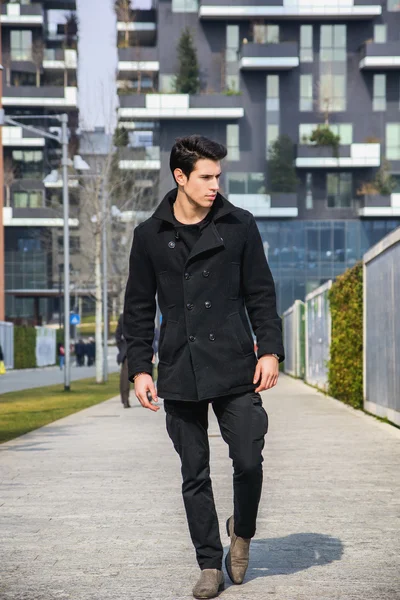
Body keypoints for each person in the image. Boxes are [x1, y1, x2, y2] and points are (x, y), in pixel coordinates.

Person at [123, 135, 284, 599]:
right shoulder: (149, 236)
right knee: (194, 471)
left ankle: (244, 528)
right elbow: (137, 309)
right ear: (180, 177)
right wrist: (140, 369)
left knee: (249, 458)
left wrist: (269, 350)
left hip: (236, 363)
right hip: (180, 365)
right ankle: (209, 564)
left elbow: (260, 293)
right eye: (206, 177)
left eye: (219, 176)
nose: (216, 185)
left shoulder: (239, 226)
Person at [115, 313, 130, 408]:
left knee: (125, 375)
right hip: (130, 349)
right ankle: (125, 399)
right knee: (125, 376)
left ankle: (125, 399)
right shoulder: (124, 317)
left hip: (128, 348)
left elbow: (117, 335)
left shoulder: (123, 316)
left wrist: (122, 348)